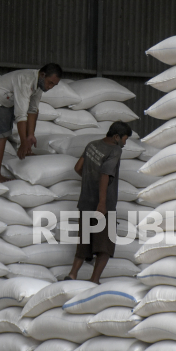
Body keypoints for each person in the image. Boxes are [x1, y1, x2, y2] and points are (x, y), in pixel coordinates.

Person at [65, 121, 131, 284]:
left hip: (85, 202)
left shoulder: (92, 145)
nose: (125, 143)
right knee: (105, 246)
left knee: (84, 243)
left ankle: (72, 274)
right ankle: (94, 280)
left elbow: (78, 167)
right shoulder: (114, 150)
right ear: (116, 137)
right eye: (125, 139)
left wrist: (89, 179)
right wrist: (102, 203)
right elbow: (105, 174)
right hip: (104, 205)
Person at [0, 64, 62, 183]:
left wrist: (30, 135)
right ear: (42, 75)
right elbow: (20, 115)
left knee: (21, 122)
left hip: (6, 100)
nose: (50, 87)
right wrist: (23, 141)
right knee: (3, 132)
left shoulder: (39, 84)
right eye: (50, 82)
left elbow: (32, 110)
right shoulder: (26, 81)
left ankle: (27, 151)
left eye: (54, 85)